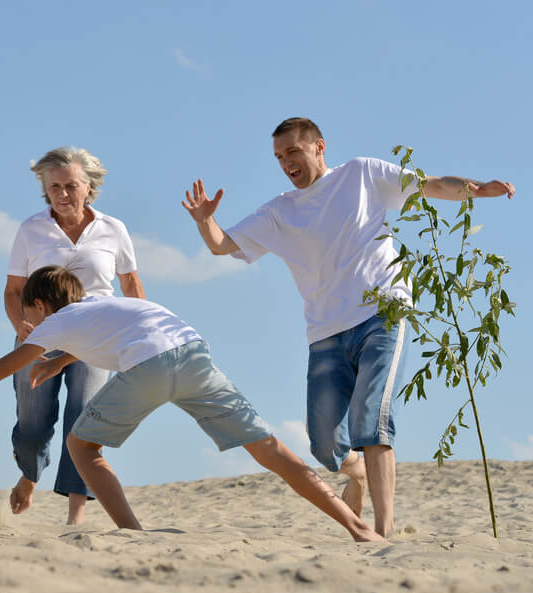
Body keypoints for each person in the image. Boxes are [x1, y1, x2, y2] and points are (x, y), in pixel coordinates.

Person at [182, 117, 516, 537]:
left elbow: (431, 184)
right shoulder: (279, 211)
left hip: (383, 315)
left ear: (319, 147)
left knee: (371, 418)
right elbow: (221, 245)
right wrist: (203, 221)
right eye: (279, 157)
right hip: (324, 333)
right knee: (323, 442)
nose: (286, 162)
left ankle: (385, 531)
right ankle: (355, 476)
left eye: (293, 152)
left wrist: (479, 189)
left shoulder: (361, 174)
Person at [0, 266, 384, 541]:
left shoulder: (56, 322)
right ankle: (357, 527)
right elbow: (109, 335)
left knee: (83, 448)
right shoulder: (100, 306)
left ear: (39, 306)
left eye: (26, 315)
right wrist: (59, 364)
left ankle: (132, 534)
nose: (26, 323)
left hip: (152, 363)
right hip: (195, 353)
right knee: (271, 451)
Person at [4, 147, 145, 525]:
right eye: (54, 187)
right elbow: (14, 290)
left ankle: (75, 514)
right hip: (40, 335)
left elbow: (131, 284)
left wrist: (138, 335)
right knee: (31, 424)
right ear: (44, 189)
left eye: (71, 186)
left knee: (83, 419)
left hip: (97, 337)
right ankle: (30, 474)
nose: (63, 194)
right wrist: (21, 325)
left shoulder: (113, 229)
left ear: (89, 187)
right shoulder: (31, 229)